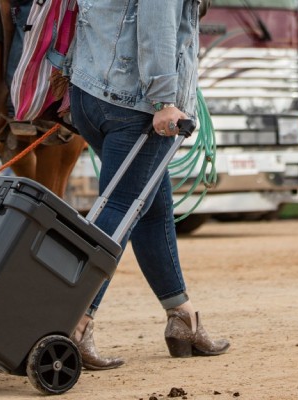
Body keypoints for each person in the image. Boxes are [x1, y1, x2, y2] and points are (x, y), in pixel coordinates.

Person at [65, 0, 230, 369]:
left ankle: (182, 318)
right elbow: (158, 23)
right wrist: (164, 99)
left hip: (90, 93)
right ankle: (75, 322)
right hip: (135, 104)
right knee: (121, 209)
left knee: (153, 210)